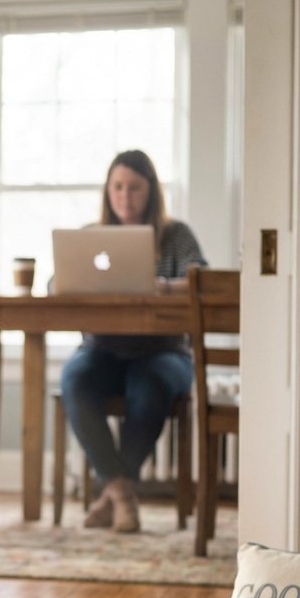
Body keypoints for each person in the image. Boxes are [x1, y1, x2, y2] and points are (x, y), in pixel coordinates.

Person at [59, 150, 207, 533]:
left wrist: (162, 285)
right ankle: (121, 492)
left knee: (149, 386)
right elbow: (54, 286)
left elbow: (202, 279)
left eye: (135, 187)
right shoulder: (90, 236)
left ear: (151, 191)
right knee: (74, 381)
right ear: (108, 191)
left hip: (164, 352)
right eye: (118, 186)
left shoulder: (176, 236)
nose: (125, 195)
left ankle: (112, 493)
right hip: (101, 349)